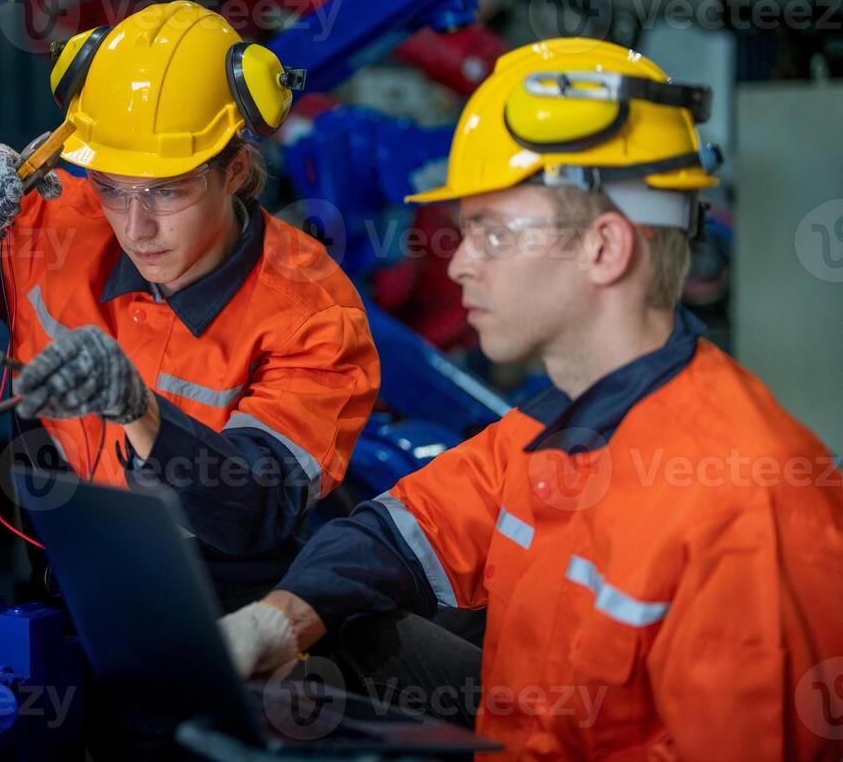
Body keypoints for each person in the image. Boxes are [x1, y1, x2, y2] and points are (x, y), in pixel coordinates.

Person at [218, 38, 843, 758]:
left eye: (491, 231)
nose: (456, 260)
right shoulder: (555, 426)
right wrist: (278, 620)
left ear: (604, 249)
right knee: (342, 621)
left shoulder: (744, 507)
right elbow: (402, 529)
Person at [0, 0, 380, 607]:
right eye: (113, 188)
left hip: (224, 618)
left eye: (167, 191)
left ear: (236, 171)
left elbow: (253, 511)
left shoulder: (314, 314)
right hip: (61, 585)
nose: (136, 227)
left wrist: (138, 410)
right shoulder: (57, 223)